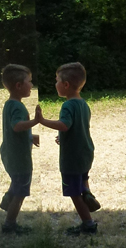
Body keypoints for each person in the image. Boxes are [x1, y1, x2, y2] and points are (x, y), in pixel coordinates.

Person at [36, 61, 100, 235]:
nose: (54, 84)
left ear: (65, 85)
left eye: (56, 81)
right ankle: (87, 192)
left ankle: (88, 224)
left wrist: (42, 121)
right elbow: (75, 127)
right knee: (82, 180)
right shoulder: (83, 104)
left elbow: (64, 125)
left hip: (72, 157)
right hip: (85, 152)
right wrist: (64, 137)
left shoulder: (68, 105)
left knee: (73, 191)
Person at [0, 63, 40, 234]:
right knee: (21, 190)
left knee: (17, 183)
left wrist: (31, 136)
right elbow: (16, 126)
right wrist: (35, 121)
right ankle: (10, 223)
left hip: (11, 153)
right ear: (19, 86)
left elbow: (14, 129)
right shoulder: (17, 106)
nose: (31, 85)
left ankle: (7, 201)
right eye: (29, 81)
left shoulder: (10, 104)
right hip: (19, 157)